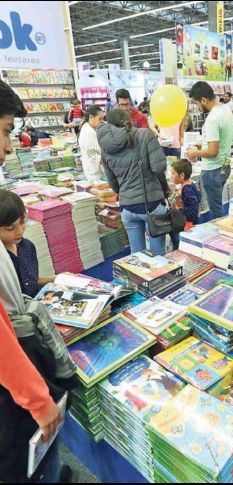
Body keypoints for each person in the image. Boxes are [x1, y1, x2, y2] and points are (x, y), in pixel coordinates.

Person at [0, 80, 74, 483]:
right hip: (14, 381)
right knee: (26, 456)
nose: (10, 147)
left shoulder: (23, 248)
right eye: (6, 131)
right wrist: (38, 399)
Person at [98, 109, 169, 256]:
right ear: (129, 119)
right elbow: (159, 168)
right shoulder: (144, 135)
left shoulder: (105, 148)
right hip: (151, 204)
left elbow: (112, 182)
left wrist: (126, 192)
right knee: (158, 254)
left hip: (127, 207)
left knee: (136, 254)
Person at [185, 81, 233, 220]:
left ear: (204, 100)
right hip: (224, 166)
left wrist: (194, 153)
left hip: (212, 170)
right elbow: (220, 140)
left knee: (216, 210)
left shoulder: (212, 118)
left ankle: (221, 232)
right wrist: (202, 145)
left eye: (196, 103)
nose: (197, 107)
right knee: (218, 204)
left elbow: (213, 152)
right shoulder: (226, 110)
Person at [0, 190, 56, 298]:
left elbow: (29, 282)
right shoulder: (3, 260)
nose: (20, 231)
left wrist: (55, 279)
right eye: (10, 228)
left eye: (22, 222)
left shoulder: (27, 246)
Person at [169, 158, 200, 250]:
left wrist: (178, 210)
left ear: (182, 175)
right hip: (185, 224)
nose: (171, 176)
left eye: (173, 174)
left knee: (182, 247)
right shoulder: (188, 185)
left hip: (186, 226)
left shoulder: (187, 189)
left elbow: (193, 210)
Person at [78, 105, 106, 182]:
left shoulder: (92, 128)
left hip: (96, 169)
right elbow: (94, 155)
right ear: (91, 117)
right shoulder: (88, 133)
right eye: (100, 118)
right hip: (94, 172)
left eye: (103, 118)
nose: (102, 121)